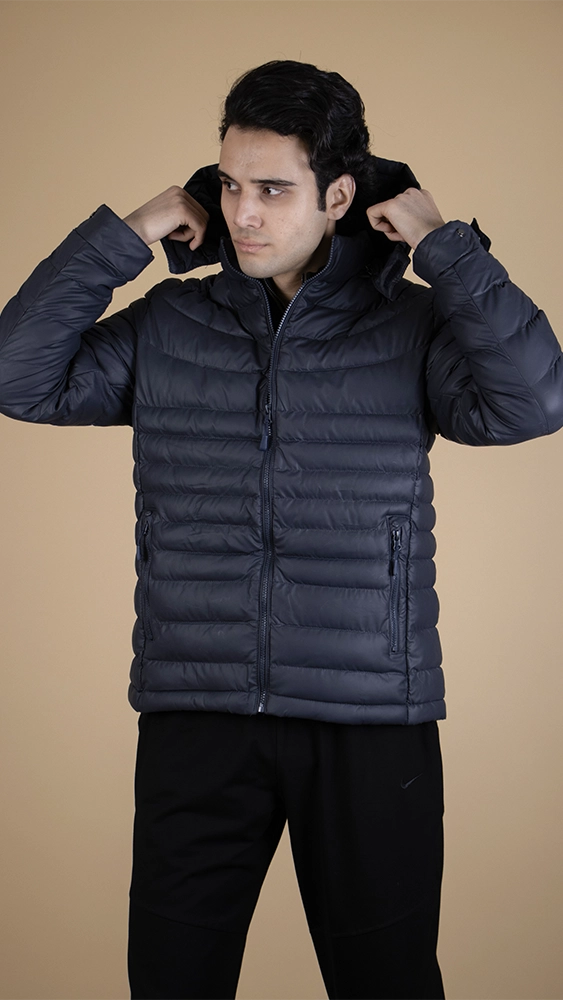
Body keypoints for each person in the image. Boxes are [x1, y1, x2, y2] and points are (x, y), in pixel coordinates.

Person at [0, 58, 562, 1000]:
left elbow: (533, 401)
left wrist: (447, 249)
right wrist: (126, 236)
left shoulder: (411, 325)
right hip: (198, 713)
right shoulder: (170, 322)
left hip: (368, 719)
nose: (242, 213)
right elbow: (17, 376)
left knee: (386, 983)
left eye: (272, 189)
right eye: (229, 185)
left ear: (337, 196)